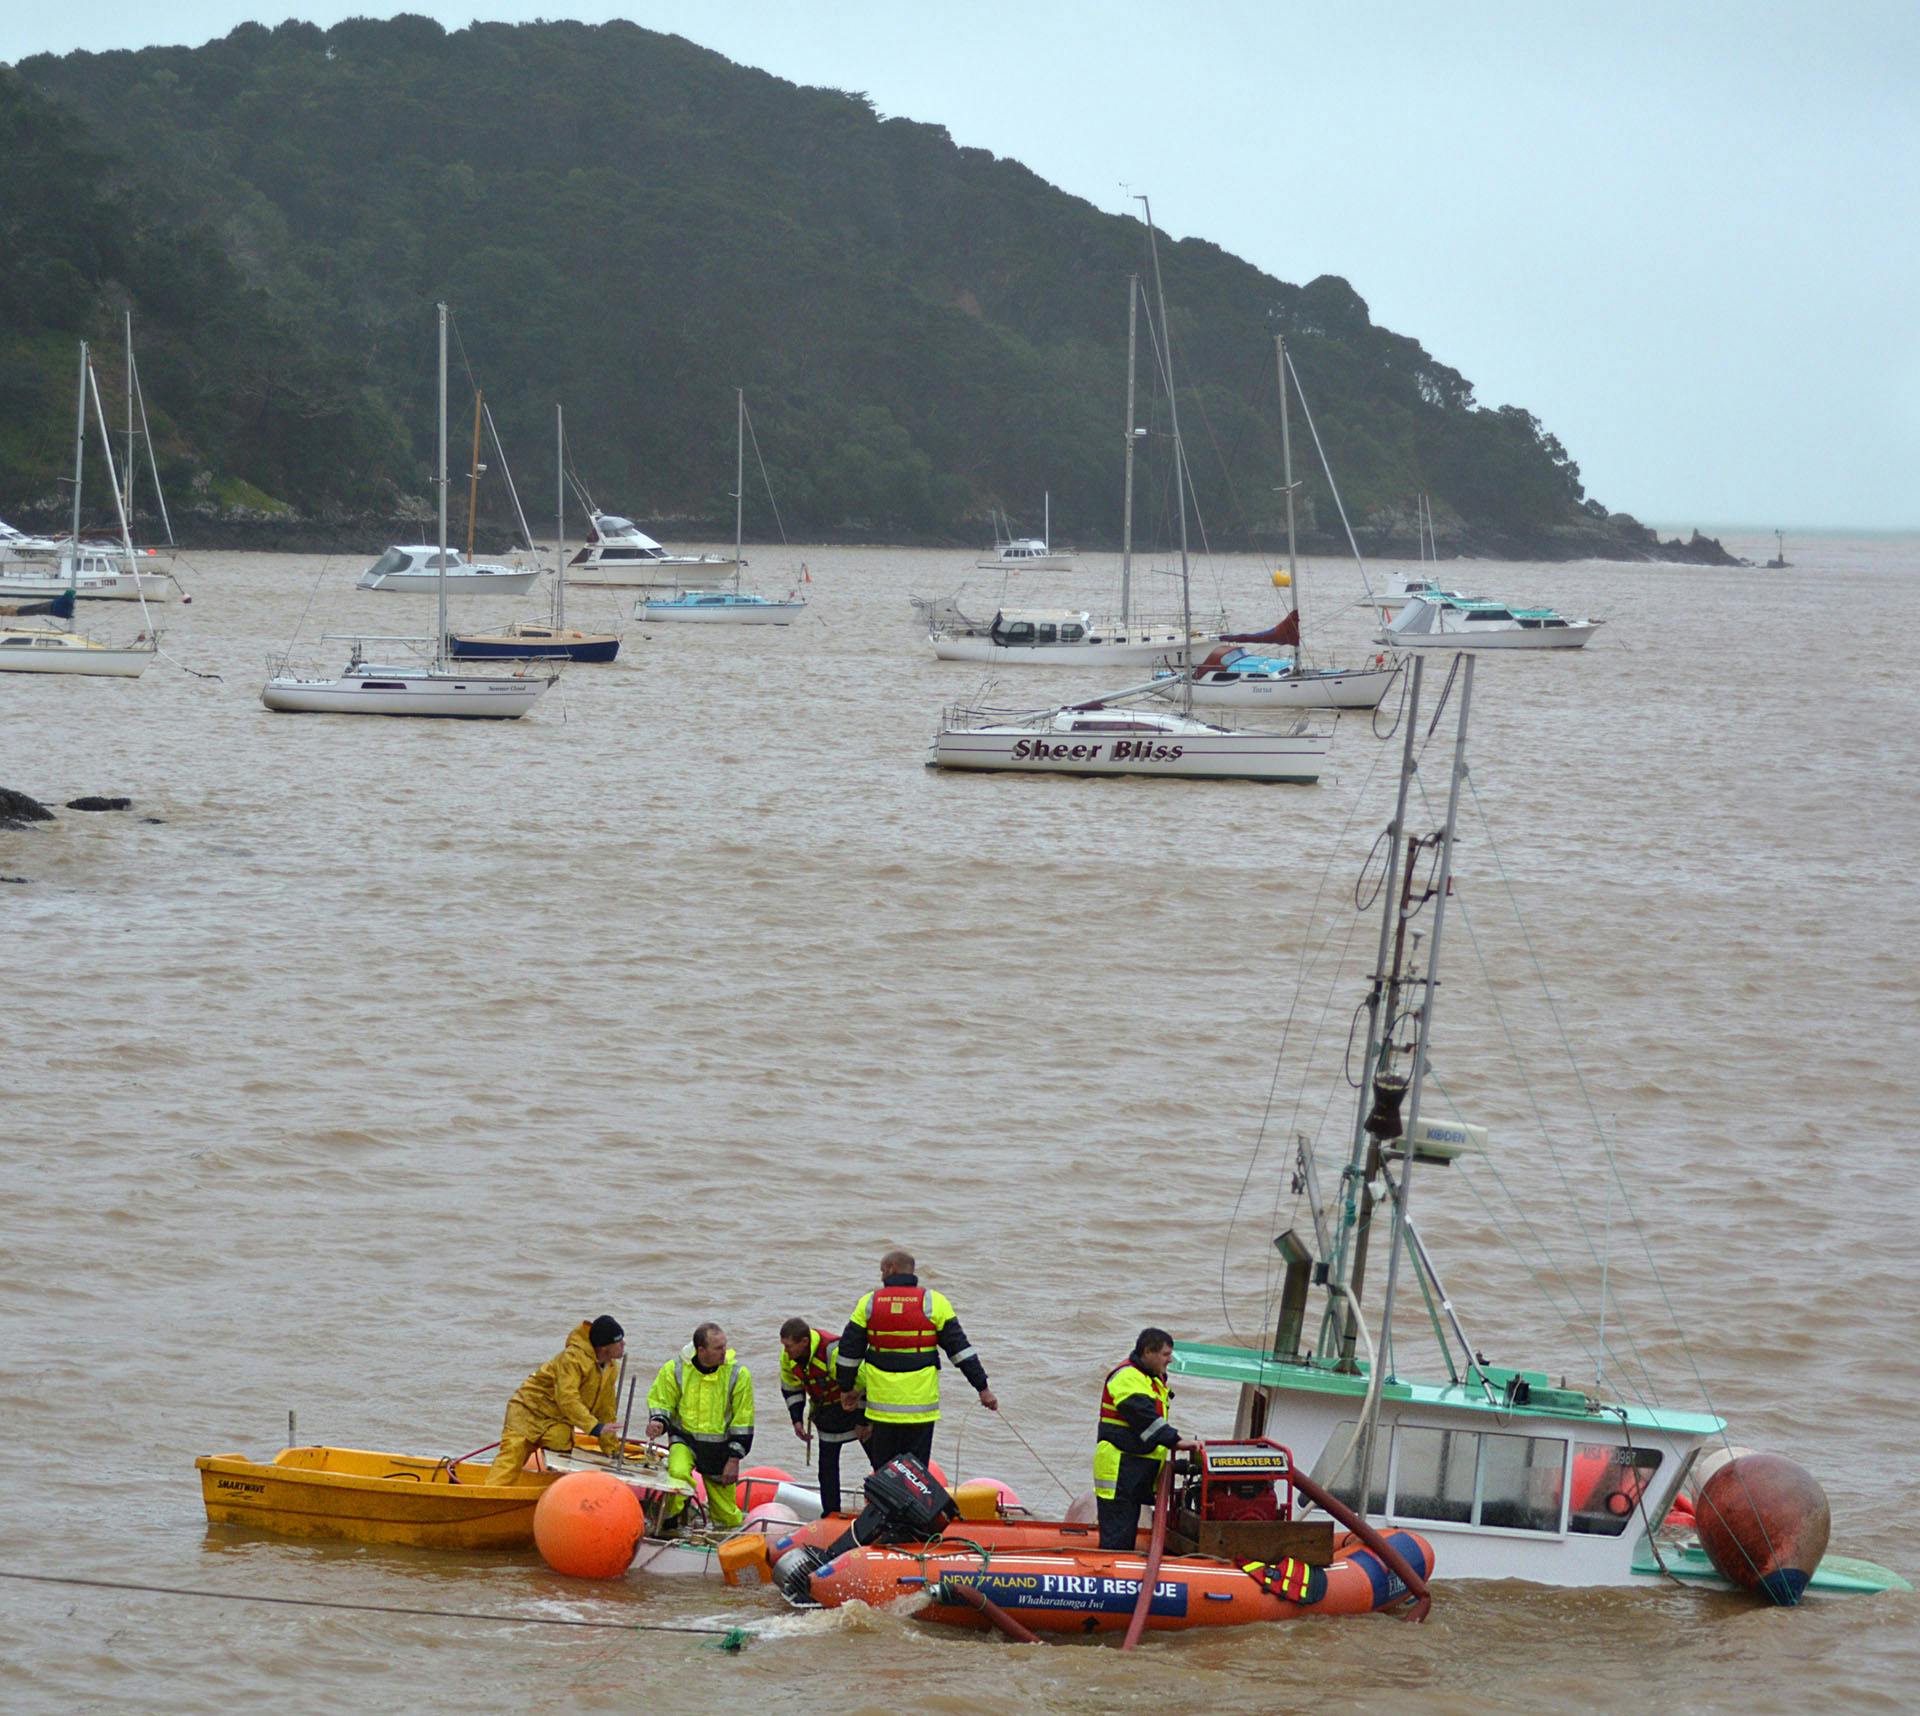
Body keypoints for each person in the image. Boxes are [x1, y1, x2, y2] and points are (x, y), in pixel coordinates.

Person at [836, 1248, 996, 1470]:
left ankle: (886, 1504)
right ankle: (914, 1504)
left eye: (882, 1271)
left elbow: (848, 1353)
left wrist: (846, 1387)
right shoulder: (934, 1302)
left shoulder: (870, 1303)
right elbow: (961, 1351)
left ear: (891, 1269)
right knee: (916, 1473)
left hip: (882, 1409)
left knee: (885, 1471)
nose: (881, 1276)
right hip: (920, 1409)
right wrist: (982, 1387)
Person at [485, 1315, 626, 1484]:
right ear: (604, 1348)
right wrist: (594, 1427)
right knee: (510, 1460)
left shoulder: (611, 1368)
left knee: (562, 1444)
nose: (623, 1345)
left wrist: (611, 1447)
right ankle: (487, 1498)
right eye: (619, 1342)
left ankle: (552, 1495)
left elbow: (606, 1408)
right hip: (528, 1412)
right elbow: (567, 1398)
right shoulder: (572, 1359)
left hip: (558, 1420)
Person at [1094, 1326, 1198, 1549]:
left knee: (1126, 1534)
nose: (1170, 1360)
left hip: (1133, 1467)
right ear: (1148, 1352)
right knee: (1118, 1539)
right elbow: (1142, 1414)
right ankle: (1113, 1578)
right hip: (1119, 1469)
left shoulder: (1151, 1377)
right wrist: (1176, 1441)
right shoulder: (1127, 1377)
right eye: (1165, 1354)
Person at [646, 1321, 755, 1530]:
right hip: (684, 1440)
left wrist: (734, 1458)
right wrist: (658, 1422)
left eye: (725, 1345)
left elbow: (743, 1420)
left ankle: (725, 1541)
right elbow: (661, 1400)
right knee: (677, 1475)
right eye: (718, 1348)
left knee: (727, 1516)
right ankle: (668, 1526)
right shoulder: (675, 1369)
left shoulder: (738, 1374)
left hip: (720, 1450)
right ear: (701, 1350)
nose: (725, 1352)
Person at [779, 1316, 867, 1516]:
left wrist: (864, 1421)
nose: (786, 1351)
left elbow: (863, 1383)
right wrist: (797, 1419)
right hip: (826, 1414)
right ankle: (830, 1515)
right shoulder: (789, 1359)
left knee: (878, 1459)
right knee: (826, 1470)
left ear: (804, 1342)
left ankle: (889, 1509)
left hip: (854, 1409)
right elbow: (791, 1388)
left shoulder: (832, 1351)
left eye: (789, 1346)